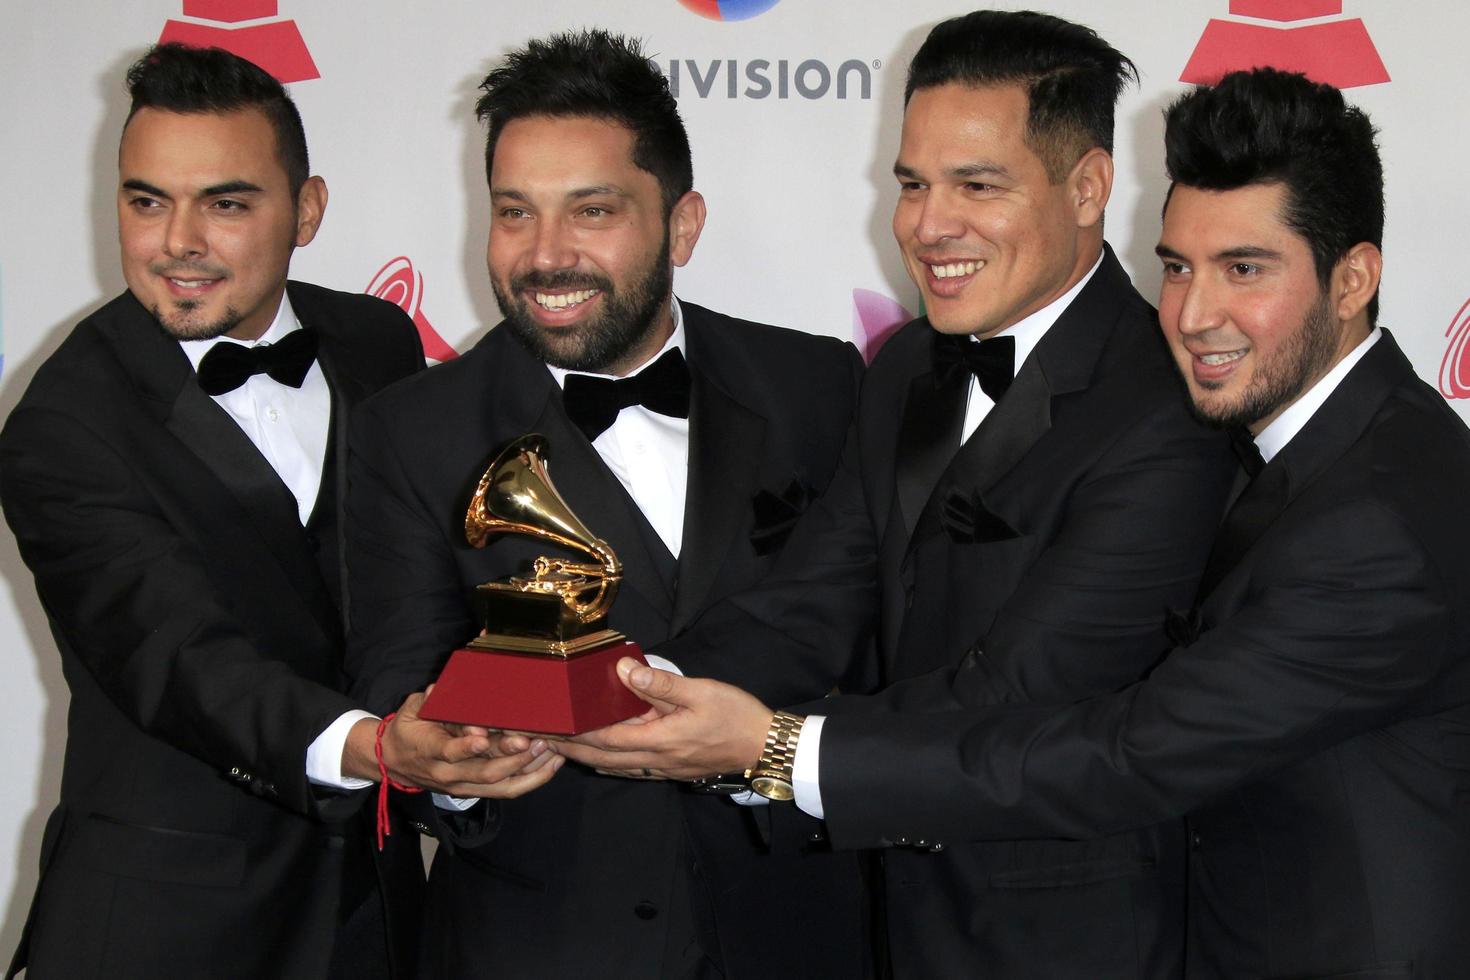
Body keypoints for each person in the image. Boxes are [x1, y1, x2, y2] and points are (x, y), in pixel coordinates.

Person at [565, 67, 1470, 979]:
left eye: (1245, 270)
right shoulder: (1325, 448)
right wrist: (617, 688)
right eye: (1177, 267)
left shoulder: (1380, 517)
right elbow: (816, 597)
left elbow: (1132, 750)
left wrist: (775, 748)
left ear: (1352, 278)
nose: (1193, 316)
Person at [0, 43, 556, 980]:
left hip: (374, 915)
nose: (177, 240)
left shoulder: (375, 342)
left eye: (225, 203)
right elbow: (177, 659)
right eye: (146, 200)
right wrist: (380, 748)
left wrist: (472, 733)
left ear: (305, 210)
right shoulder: (62, 423)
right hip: (165, 928)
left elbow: (413, 588)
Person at [344, 28, 870, 980]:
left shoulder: (818, 385)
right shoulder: (407, 432)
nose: (546, 256)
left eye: (591, 210)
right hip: (539, 946)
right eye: (514, 212)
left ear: (682, 224)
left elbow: (874, 653)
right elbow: (395, 686)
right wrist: (447, 773)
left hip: (801, 931)